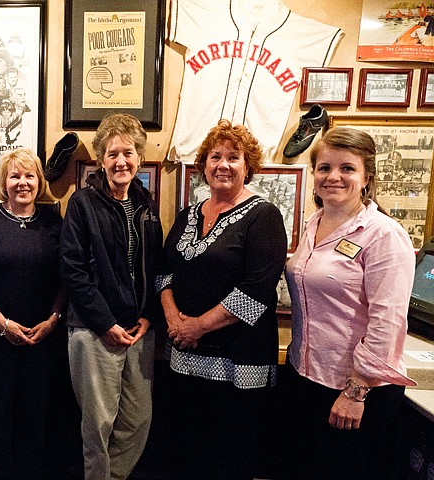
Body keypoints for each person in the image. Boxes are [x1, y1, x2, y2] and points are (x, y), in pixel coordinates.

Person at [279, 128, 416, 480]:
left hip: (355, 390)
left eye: (347, 168)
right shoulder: (313, 223)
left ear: (366, 177)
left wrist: (356, 392)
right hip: (306, 376)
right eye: (324, 167)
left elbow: (387, 321)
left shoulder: (384, 234)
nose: (333, 177)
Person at [157, 119, 287, 479]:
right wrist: (174, 321)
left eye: (233, 157)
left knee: (229, 458)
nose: (223, 165)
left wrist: (196, 327)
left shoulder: (264, 217)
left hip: (238, 362)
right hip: (183, 357)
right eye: (215, 157)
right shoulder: (187, 215)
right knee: (188, 455)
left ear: (248, 167)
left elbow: (257, 291)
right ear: (204, 166)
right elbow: (164, 273)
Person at [60, 113, 163, 480]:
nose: (121, 161)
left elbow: (155, 266)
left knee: (138, 420)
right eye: (113, 153)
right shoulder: (82, 203)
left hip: (138, 330)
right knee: (99, 425)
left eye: (129, 152)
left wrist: (149, 315)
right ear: (101, 159)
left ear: (140, 158)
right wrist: (105, 323)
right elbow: (73, 270)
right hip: (93, 330)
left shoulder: (146, 204)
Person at [0, 148, 65, 480]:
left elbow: (66, 278)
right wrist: (3, 325)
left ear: (39, 181)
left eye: (29, 175)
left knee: (33, 422)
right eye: (14, 175)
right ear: (3, 182)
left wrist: (53, 319)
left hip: (39, 342)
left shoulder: (53, 222)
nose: (22, 182)